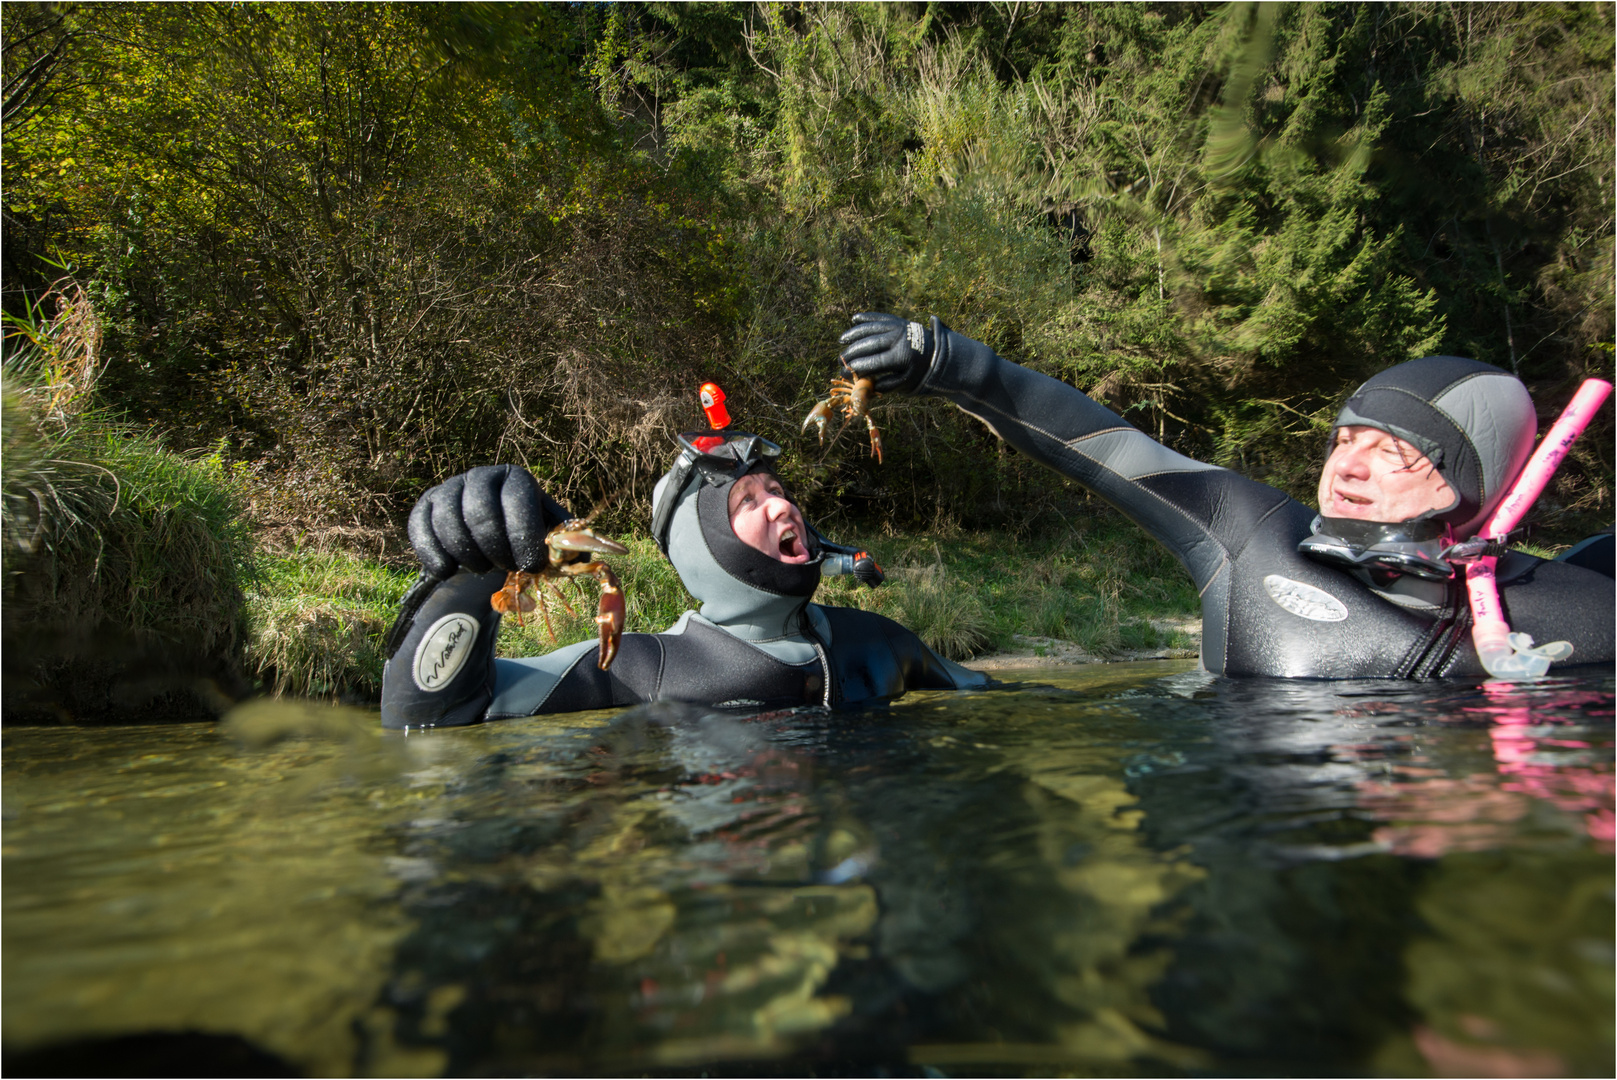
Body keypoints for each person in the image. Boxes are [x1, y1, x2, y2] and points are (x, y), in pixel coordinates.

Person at [836, 312, 1614, 679]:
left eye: (1395, 453)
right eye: (1344, 439)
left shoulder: (1576, 605)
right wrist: (954, 365)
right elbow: (1107, 448)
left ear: (1474, 486)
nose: (1347, 467)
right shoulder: (1250, 534)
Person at [380, 432, 987, 730]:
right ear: (698, 548)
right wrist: (468, 573)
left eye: (778, 490)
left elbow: (994, 697)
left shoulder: (883, 641)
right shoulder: (644, 664)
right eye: (747, 501)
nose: (782, 506)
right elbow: (444, 710)